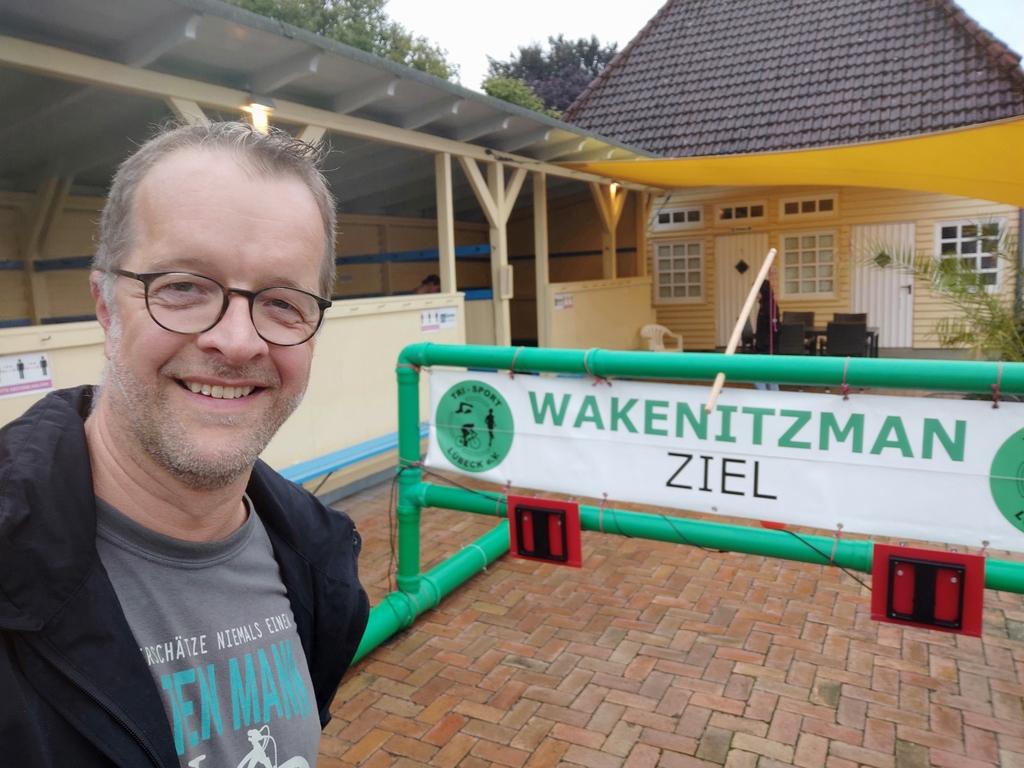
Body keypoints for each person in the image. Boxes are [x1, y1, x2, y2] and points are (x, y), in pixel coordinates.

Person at [0, 122, 370, 767]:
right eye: (183, 287)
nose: (239, 342)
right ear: (106, 305)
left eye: (283, 302)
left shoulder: (323, 562)